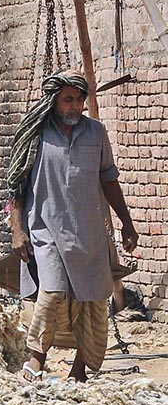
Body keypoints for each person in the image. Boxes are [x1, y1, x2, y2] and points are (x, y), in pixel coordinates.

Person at [7, 69, 138, 383]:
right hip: (45, 228)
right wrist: (17, 229)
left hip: (89, 230)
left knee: (92, 301)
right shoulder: (35, 134)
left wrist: (127, 223)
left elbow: (109, 180)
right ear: (53, 100)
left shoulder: (96, 133)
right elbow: (16, 187)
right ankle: (36, 360)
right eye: (68, 100)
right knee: (52, 292)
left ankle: (79, 369)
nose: (75, 106)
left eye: (80, 99)